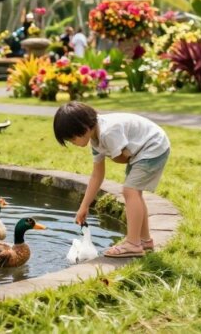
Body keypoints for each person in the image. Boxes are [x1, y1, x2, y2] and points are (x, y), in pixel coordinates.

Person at [54, 101, 170, 259]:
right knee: (134, 192)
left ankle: (133, 244)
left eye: (71, 139)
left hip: (152, 146)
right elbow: (97, 175)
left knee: (130, 191)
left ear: (84, 129)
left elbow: (122, 158)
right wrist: (84, 206)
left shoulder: (108, 132)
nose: (72, 143)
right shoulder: (95, 138)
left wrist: (119, 156)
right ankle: (144, 240)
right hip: (145, 148)